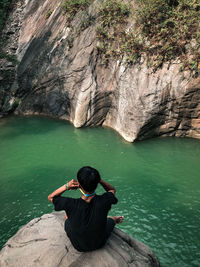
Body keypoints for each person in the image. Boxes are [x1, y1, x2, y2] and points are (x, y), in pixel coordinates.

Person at [48, 166, 124, 252]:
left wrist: (67, 186)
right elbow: (111, 189)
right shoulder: (105, 200)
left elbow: (51, 197)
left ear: (79, 184)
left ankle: (69, 219)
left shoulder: (70, 204)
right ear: (97, 183)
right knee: (111, 218)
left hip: (79, 246)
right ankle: (116, 219)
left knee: (67, 218)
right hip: (99, 243)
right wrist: (99, 180)